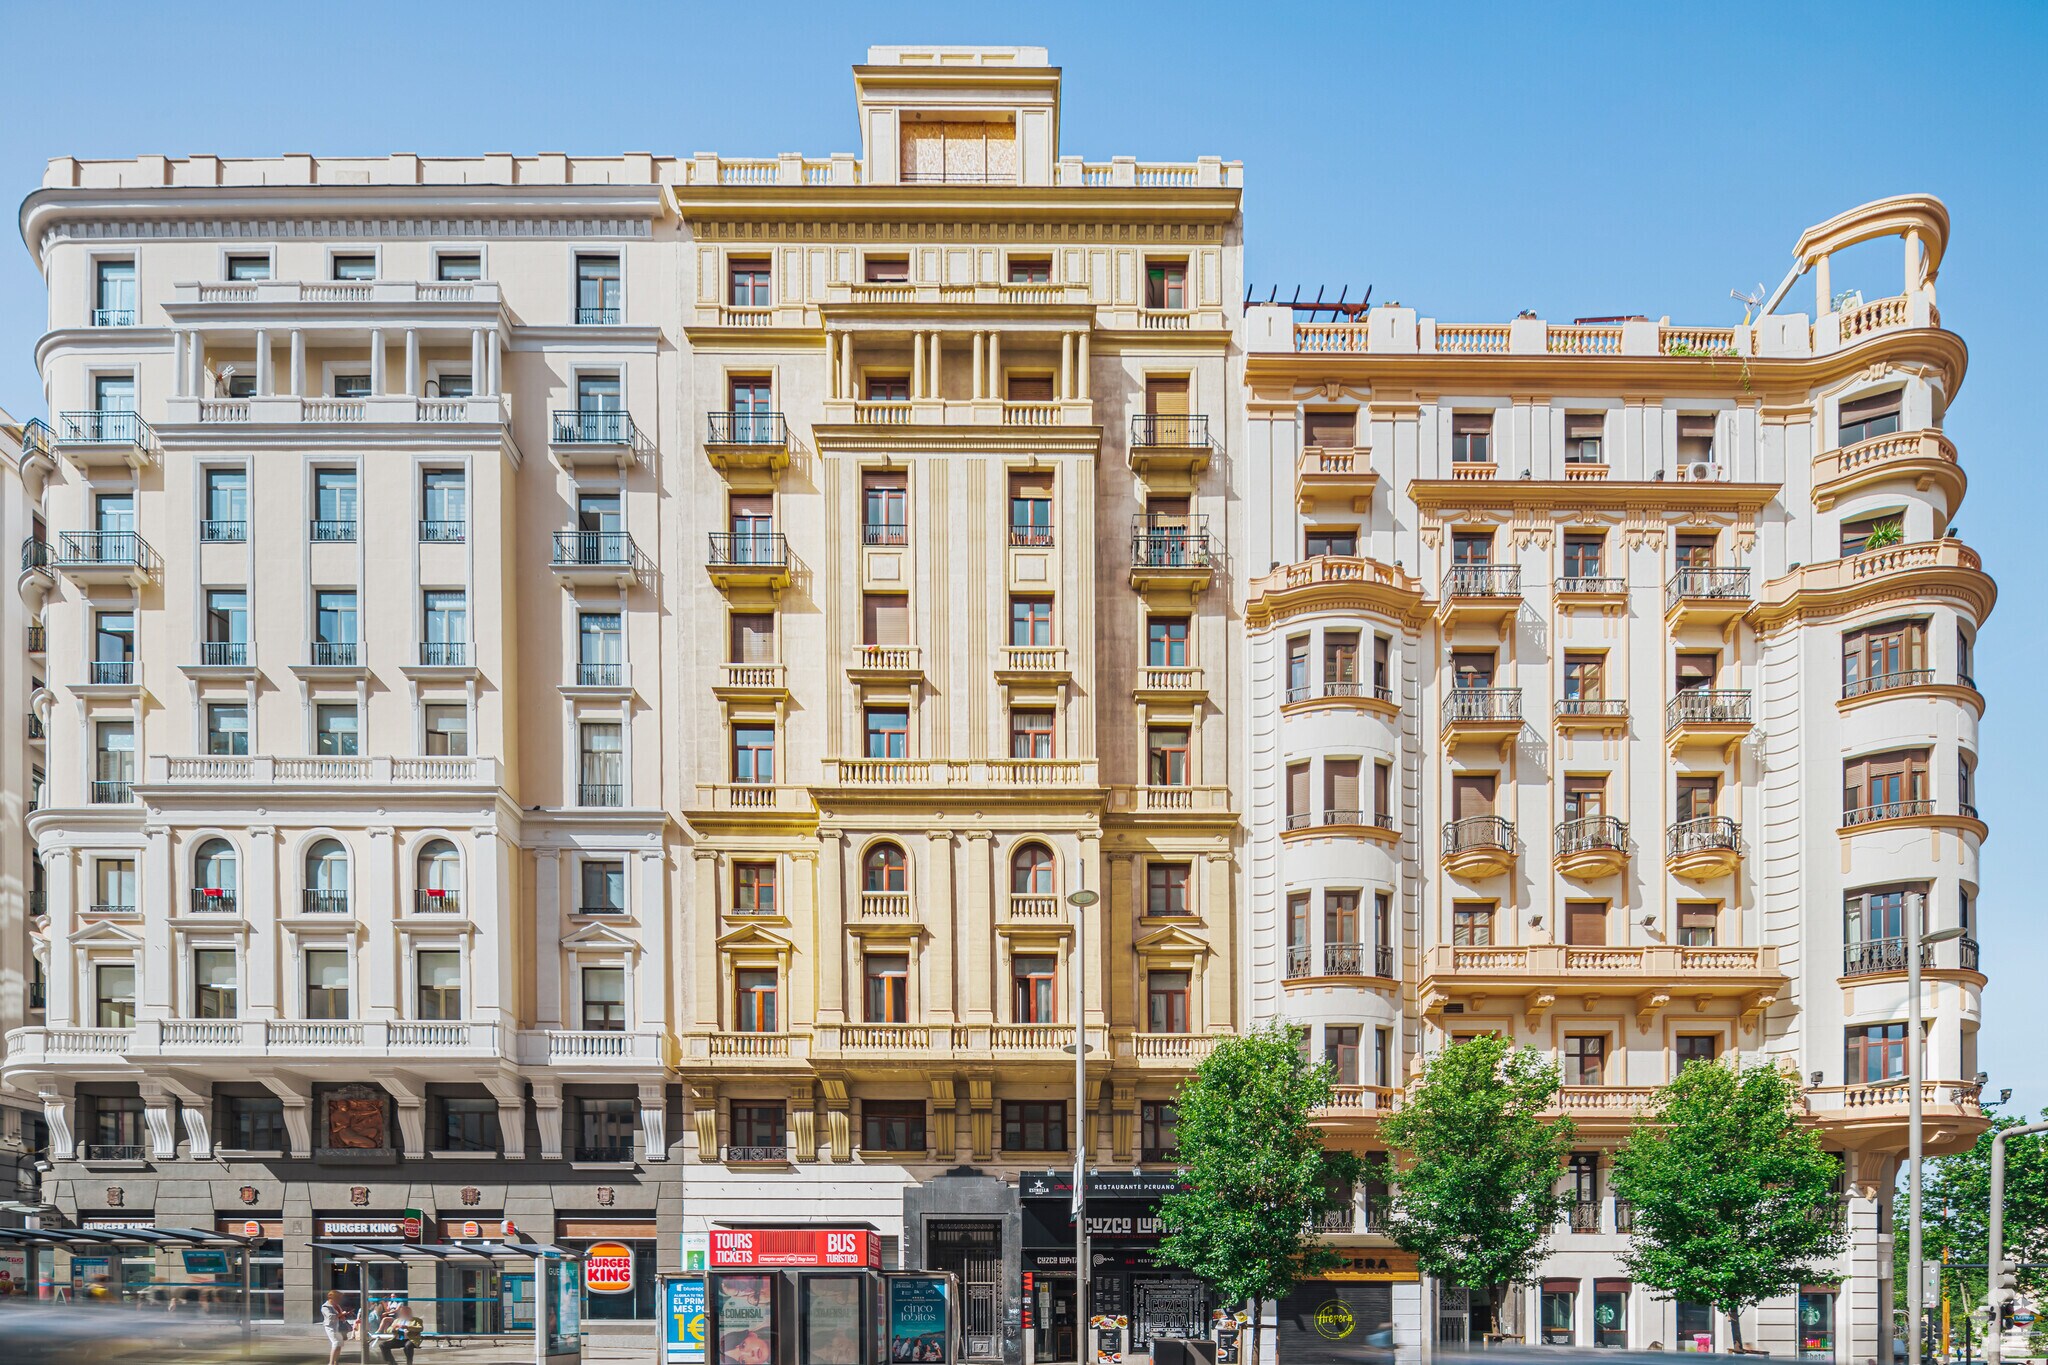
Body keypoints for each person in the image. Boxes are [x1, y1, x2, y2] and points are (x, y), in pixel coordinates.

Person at [376, 1297, 422, 1365]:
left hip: (410, 1339)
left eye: (405, 1312)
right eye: (402, 1313)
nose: (403, 1314)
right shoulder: (397, 1320)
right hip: (398, 1339)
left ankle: (409, 1363)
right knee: (383, 1345)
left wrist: (407, 1327)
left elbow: (420, 1328)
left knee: (408, 1346)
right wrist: (394, 1329)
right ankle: (391, 1362)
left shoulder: (416, 1320)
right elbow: (389, 1330)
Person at [323, 1289, 356, 1365]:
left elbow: (340, 1315)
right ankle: (331, 1363)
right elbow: (330, 1317)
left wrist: (346, 1313)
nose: (339, 1300)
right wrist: (341, 1314)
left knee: (339, 1344)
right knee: (336, 1343)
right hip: (331, 1327)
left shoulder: (336, 1305)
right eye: (338, 1298)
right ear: (333, 1298)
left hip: (339, 1326)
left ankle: (335, 1362)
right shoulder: (325, 1306)